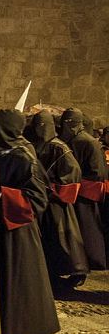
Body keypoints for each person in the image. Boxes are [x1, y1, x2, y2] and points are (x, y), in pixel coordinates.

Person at [0, 109, 59, 334]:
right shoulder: (0, 153)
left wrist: (0, 192)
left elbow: (37, 200)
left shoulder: (24, 157)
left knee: (20, 282)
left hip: (18, 232)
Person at [28, 111, 89, 286]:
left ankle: (77, 270)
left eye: (43, 124)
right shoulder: (37, 145)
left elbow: (73, 171)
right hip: (44, 200)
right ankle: (53, 270)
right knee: (50, 237)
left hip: (57, 201)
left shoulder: (59, 147)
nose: (40, 129)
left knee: (65, 236)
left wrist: (55, 188)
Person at [60, 108, 108, 270]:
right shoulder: (72, 140)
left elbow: (98, 172)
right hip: (75, 190)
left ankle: (94, 260)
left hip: (85, 193)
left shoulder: (89, 142)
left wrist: (77, 184)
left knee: (89, 229)